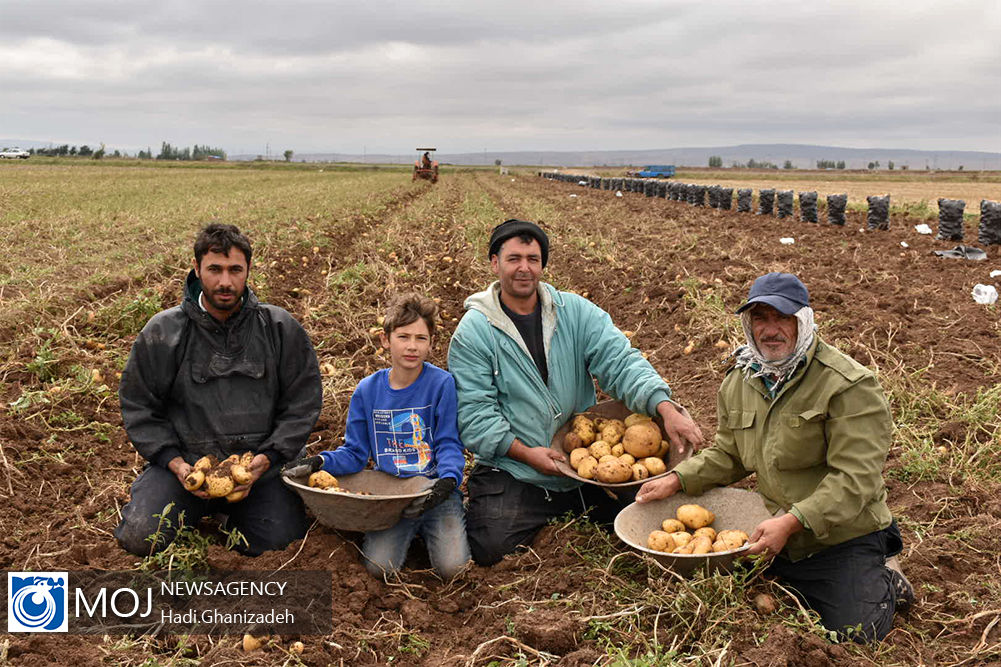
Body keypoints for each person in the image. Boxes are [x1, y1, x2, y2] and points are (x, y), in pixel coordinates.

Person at [636, 272, 914, 642]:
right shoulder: (742, 379)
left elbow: (855, 479)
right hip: (774, 528)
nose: (771, 329)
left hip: (841, 536)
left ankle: (887, 576)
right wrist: (678, 478)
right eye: (760, 318)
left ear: (803, 321)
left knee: (855, 633)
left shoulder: (848, 385)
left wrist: (793, 522)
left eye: (782, 317)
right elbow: (729, 453)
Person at [447, 219, 703, 566]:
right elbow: (476, 415)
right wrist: (525, 453)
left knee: (648, 523)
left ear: (542, 265)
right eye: (514, 258)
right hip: (515, 469)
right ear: (495, 263)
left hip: (585, 465)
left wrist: (665, 406)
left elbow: (621, 362)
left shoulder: (575, 313)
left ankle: (572, 509)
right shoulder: (475, 332)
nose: (524, 268)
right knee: (491, 549)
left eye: (533, 259)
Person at [115, 224, 322, 557]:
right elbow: (140, 408)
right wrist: (175, 464)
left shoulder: (280, 328)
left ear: (248, 271)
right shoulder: (164, 333)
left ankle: (235, 515)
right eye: (215, 269)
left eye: (235, 270)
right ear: (197, 269)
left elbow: (302, 403)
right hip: (187, 469)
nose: (225, 282)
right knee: (141, 536)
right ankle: (195, 508)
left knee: (279, 542)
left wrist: (266, 460)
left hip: (259, 469)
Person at [284, 294, 469, 579]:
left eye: (421, 338)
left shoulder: (441, 384)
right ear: (385, 340)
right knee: (379, 568)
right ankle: (411, 534)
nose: (412, 346)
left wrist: (446, 482)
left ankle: (435, 527)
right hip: (390, 498)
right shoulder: (367, 391)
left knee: (453, 569)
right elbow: (355, 454)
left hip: (434, 492)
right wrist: (320, 462)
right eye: (403, 336)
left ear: (432, 343)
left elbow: (448, 443)